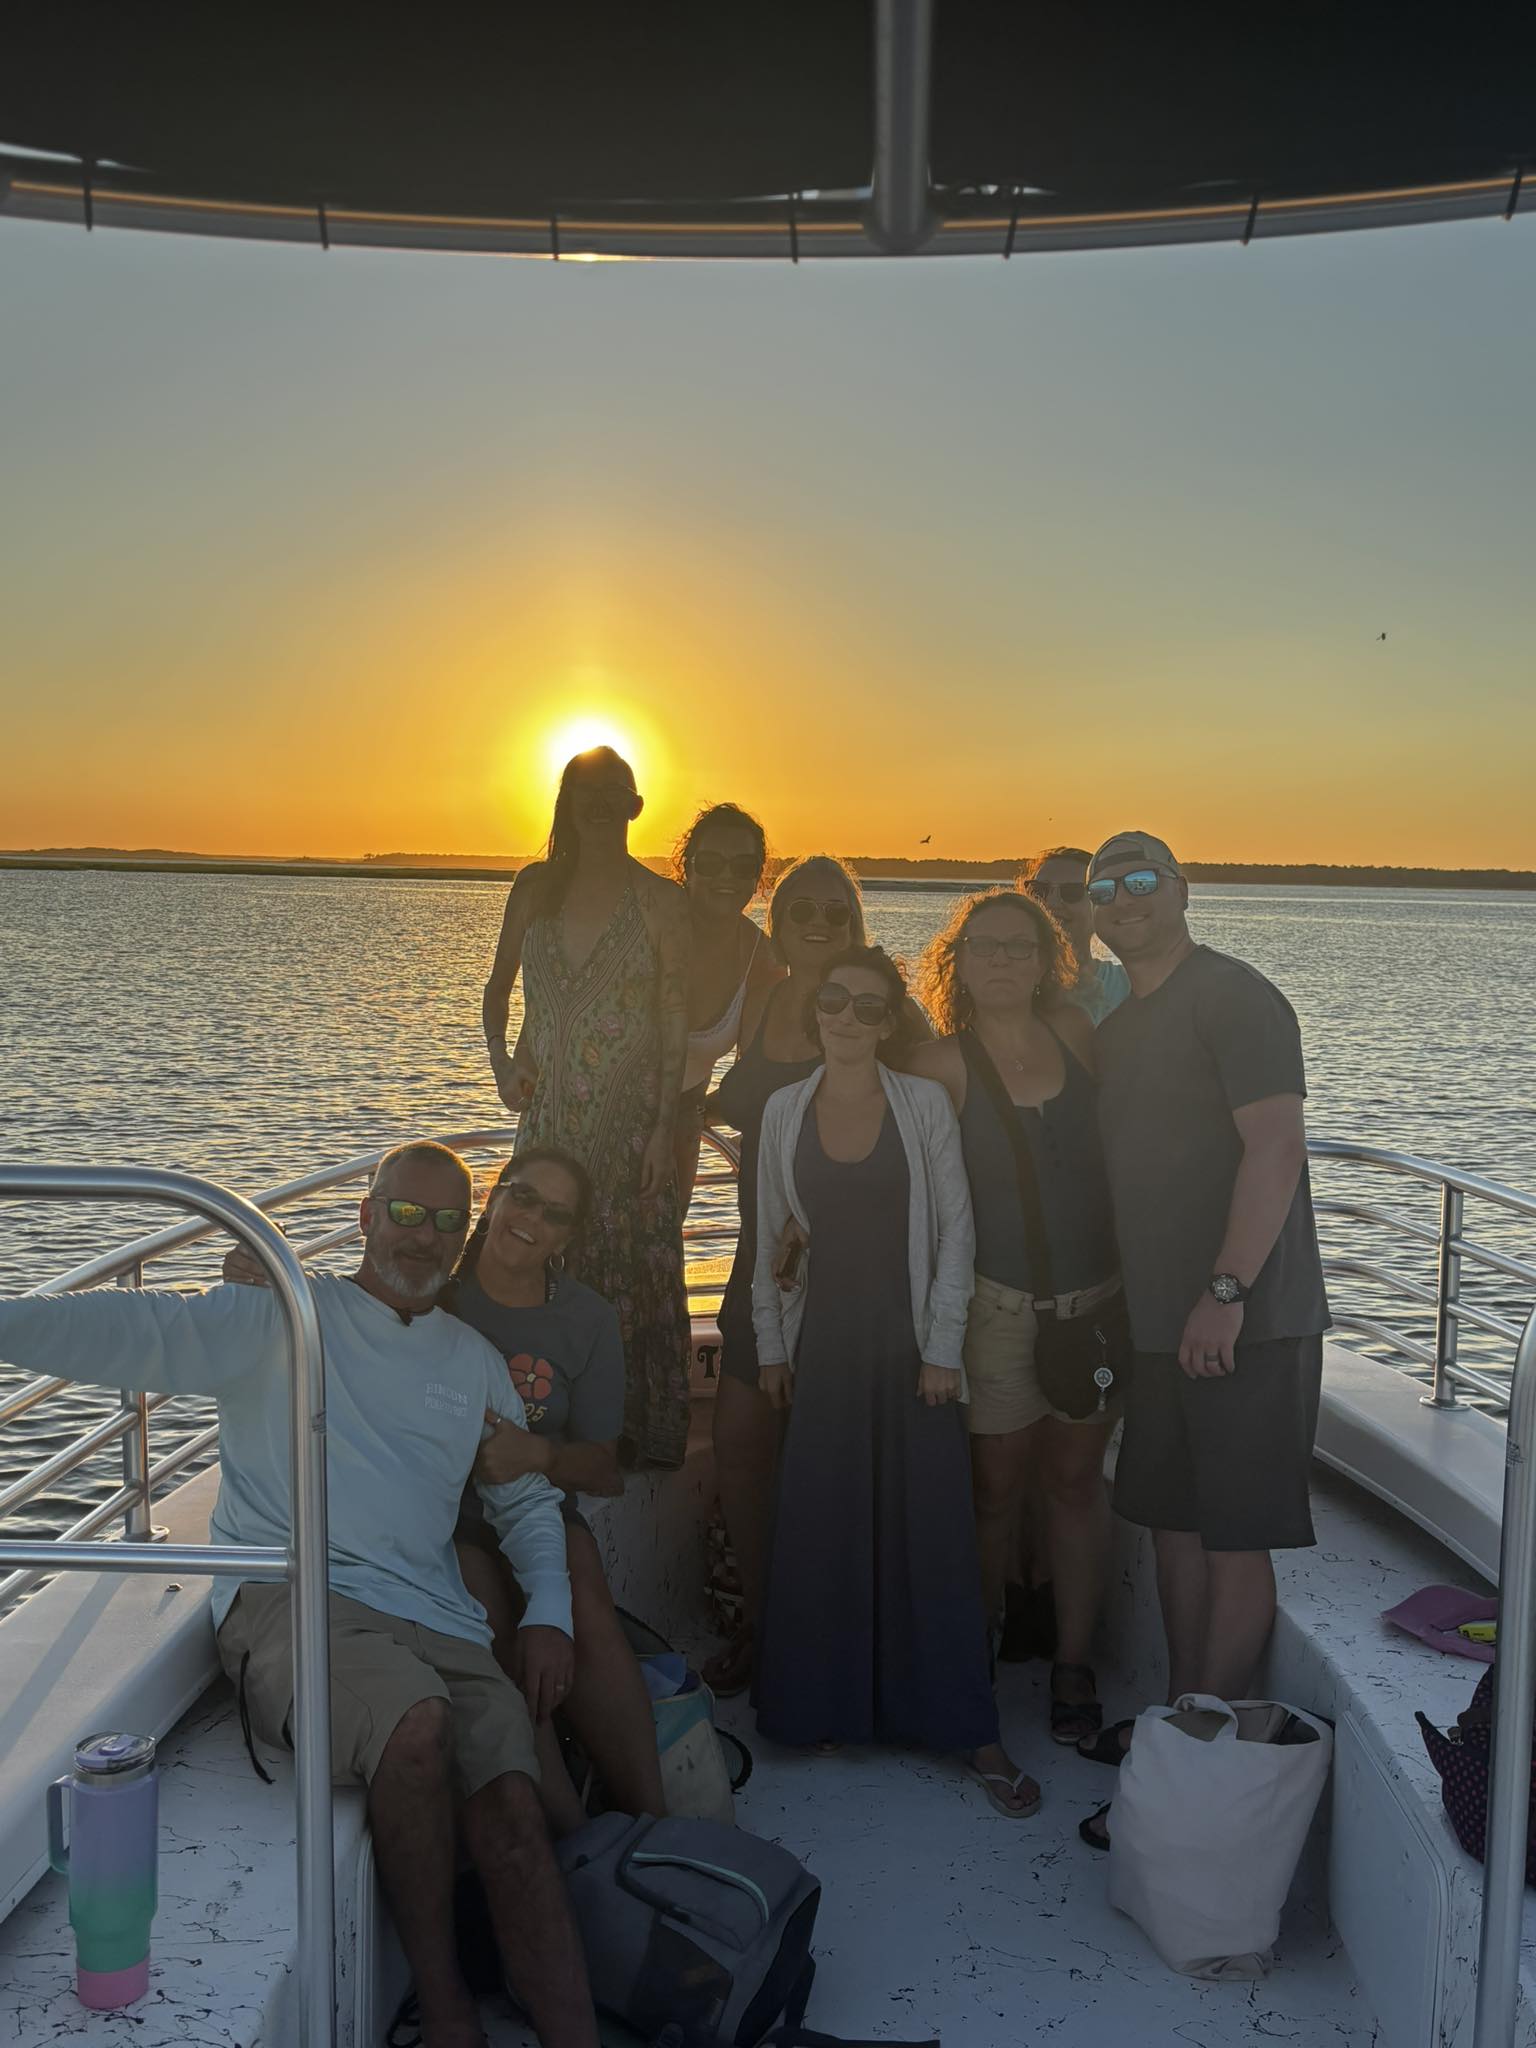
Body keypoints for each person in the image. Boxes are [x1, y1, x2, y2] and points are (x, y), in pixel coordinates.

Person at [2, 1141, 597, 2048]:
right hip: (293, 1596)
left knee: (514, 1806)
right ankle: (447, 2015)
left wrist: (550, 1612)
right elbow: (139, 1331)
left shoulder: (474, 1363)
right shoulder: (286, 1312)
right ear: (365, 1216)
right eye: (403, 1212)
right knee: (415, 1727)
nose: (423, 1236)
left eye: (446, 1222)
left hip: (432, 1613)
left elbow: (522, 1502)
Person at [1078, 831, 1329, 1840]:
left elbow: (1275, 1144)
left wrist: (1227, 1288)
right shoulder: (1125, 1020)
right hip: (1155, 1324)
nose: (1123, 897)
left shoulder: (1236, 996)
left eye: (1143, 880)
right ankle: (1180, 1719)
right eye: (1106, 885)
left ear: (1183, 889)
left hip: (1244, 1322)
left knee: (1233, 1534)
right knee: (1173, 1523)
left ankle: (1193, 1750)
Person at [749, 947, 1038, 1819]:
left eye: (868, 1006)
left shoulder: (921, 1105)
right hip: (825, 1346)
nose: (846, 1016)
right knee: (826, 1526)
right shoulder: (779, 1110)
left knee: (932, 1534)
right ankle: (824, 1709)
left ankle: (967, 1727)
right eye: (833, 999)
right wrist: (770, 1348)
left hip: (910, 1345)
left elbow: (958, 1233)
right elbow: (768, 1237)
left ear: (888, 1020)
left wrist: (943, 1348)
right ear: (815, 1008)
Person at [909, 889, 1122, 1747]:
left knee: (1075, 1485)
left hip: (1096, 1304)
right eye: (985, 947)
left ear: (1045, 960)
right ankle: (978, 1656)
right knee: (993, 1492)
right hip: (996, 1310)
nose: (1002, 961)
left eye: (1019, 947)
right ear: (958, 961)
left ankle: (1073, 1661)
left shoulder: (1075, 1033)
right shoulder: (938, 1066)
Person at [702, 856, 909, 1698]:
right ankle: (764, 1620)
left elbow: (942, 1098)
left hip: (860, 1270)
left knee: (844, 1457)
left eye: (835, 910)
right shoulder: (763, 999)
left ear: (854, 925)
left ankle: (856, 1636)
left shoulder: (884, 1005)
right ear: (778, 920)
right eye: (799, 909)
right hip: (763, 1260)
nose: (818, 922)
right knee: (743, 1447)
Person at [446, 1147, 668, 1834]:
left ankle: (654, 1826)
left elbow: (604, 1470)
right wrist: (253, 1279)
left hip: (540, 1504)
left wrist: (534, 1453)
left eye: (555, 1213)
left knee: (587, 1607)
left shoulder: (587, 1320)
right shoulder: (436, 1293)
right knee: (484, 1613)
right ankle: (568, 1832)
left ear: (567, 1238)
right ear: (492, 1198)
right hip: (444, 1518)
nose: (530, 1217)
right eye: (521, 1195)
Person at [482, 746, 693, 1469]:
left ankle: (630, 1436)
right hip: (544, 1126)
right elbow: (497, 989)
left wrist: (665, 1129)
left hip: (630, 1124)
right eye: (585, 790)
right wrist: (502, 1062)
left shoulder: (659, 901)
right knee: (533, 1262)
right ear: (567, 802)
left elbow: (673, 1020)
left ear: (637, 805)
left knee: (631, 1267)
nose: (600, 803)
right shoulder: (535, 887)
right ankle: (529, 1428)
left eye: (615, 791)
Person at [671, 802, 783, 1210]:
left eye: (742, 866)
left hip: (680, 1124)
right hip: (597, 1110)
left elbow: (751, 1070)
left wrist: (698, 1111)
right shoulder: (647, 923)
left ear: (757, 877)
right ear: (687, 865)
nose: (726, 877)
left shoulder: (762, 960)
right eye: (711, 862)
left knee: (659, 1256)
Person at [1020, 846, 1131, 1026]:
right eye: (1039, 890)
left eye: (1072, 892)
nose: (1051, 903)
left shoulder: (1128, 986)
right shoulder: (1005, 981)